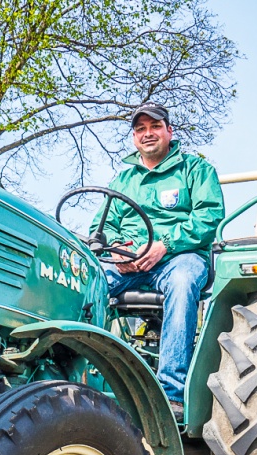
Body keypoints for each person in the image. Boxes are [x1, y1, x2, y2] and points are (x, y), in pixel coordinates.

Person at [93, 102, 225, 421]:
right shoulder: (123, 180)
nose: (147, 134)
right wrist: (114, 251)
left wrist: (165, 244)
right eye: (140, 129)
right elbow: (103, 225)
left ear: (169, 131)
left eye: (155, 127)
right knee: (87, 281)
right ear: (134, 138)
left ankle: (171, 395)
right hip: (129, 262)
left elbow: (209, 217)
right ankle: (84, 379)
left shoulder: (196, 170)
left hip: (179, 258)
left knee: (182, 283)